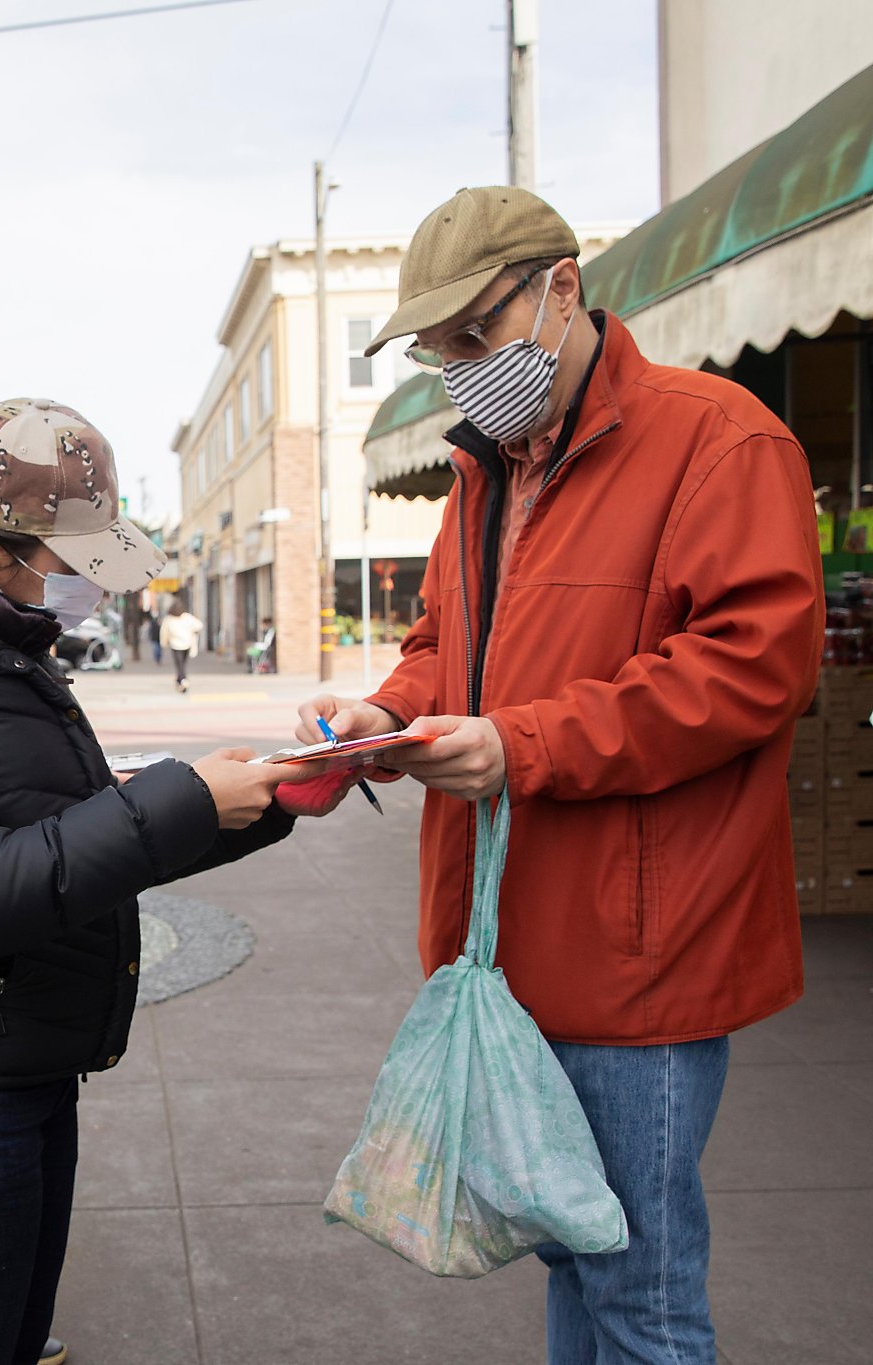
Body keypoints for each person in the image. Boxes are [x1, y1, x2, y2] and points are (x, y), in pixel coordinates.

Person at [298, 186, 822, 1364]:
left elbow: (751, 669)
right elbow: (446, 646)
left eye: (472, 336)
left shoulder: (719, 438)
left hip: (644, 949)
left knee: (636, 1295)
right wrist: (378, 713)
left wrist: (520, 744)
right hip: (503, 940)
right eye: (436, 350)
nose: (455, 368)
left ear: (561, 288)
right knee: (575, 1263)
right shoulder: (487, 472)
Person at [0, 398, 351, 1365]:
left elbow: (76, 840)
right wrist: (179, 800)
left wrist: (262, 800)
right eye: (77, 562)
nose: (93, 586)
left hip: (21, 1077)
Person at [160, 596, 202, 692]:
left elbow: (164, 632)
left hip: (175, 645)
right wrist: (193, 632)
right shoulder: (186, 617)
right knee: (182, 663)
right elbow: (199, 625)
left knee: (179, 664)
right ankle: (181, 680)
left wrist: (164, 643)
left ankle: (182, 680)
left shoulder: (169, 619)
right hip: (186, 643)